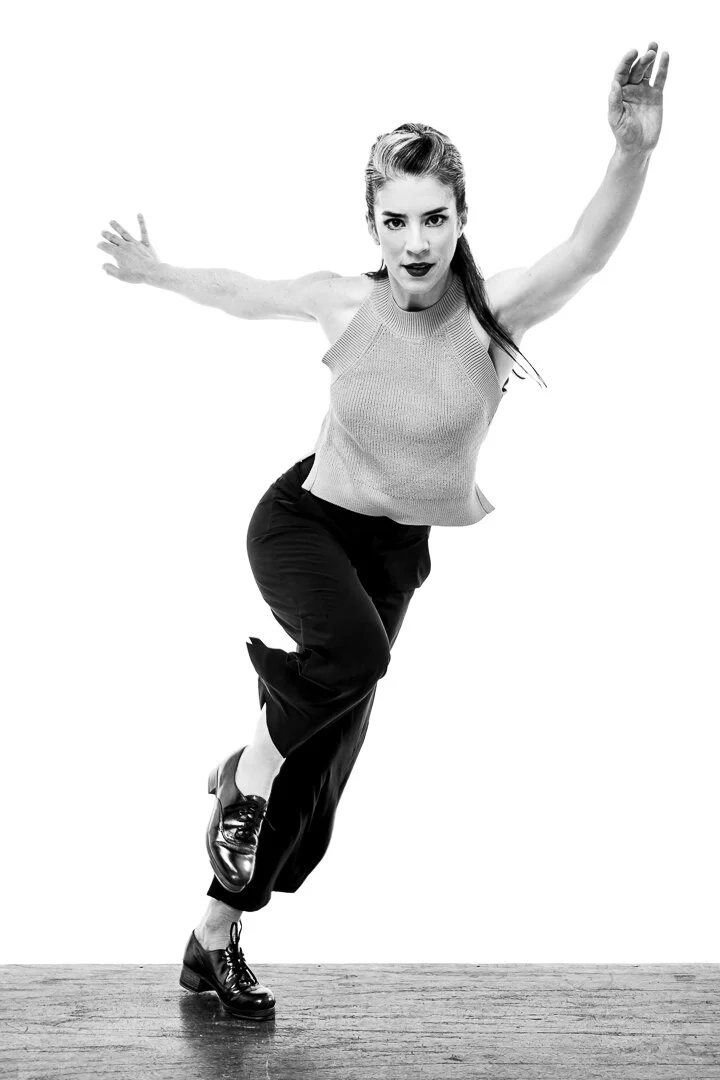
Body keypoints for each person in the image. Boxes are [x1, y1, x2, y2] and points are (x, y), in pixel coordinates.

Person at [97, 43, 669, 1021]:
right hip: (302, 526)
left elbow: (586, 251)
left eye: (433, 218)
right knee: (351, 661)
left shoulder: (496, 315)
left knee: (312, 787)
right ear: (373, 224)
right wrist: (157, 272)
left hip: (393, 559)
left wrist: (631, 153)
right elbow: (244, 291)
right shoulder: (345, 303)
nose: (415, 240)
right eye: (395, 220)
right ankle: (244, 768)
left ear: (460, 220)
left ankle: (212, 937)